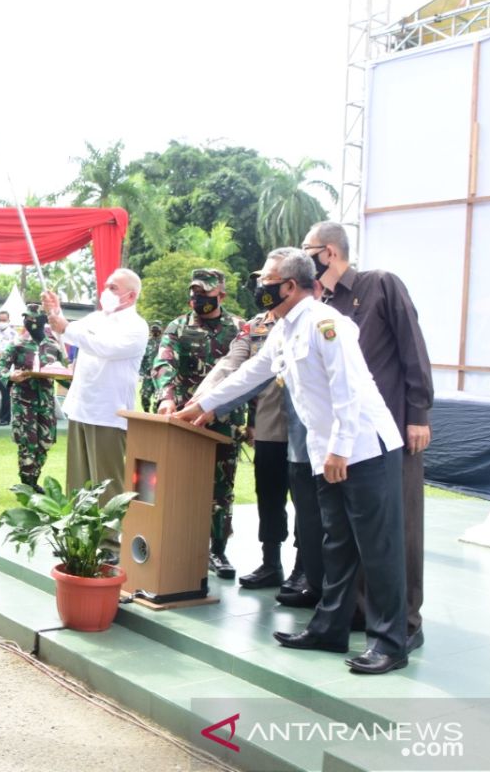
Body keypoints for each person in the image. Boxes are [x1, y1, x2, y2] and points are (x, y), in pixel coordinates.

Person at [179, 248, 409, 675]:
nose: (259, 287)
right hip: (329, 453)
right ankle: (329, 628)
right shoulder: (283, 328)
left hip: (362, 449)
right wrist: (205, 405)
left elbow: (349, 388)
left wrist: (340, 448)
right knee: (335, 545)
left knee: (378, 550)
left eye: (266, 279)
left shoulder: (327, 324)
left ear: (289, 285)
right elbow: (253, 372)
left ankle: (390, 643)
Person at [307, 220, 432, 650]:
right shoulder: (320, 304)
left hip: (392, 428)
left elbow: (413, 349)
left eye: (308, 250)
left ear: (329, 252)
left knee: (400, 527)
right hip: (347, 438)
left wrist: (418, 412)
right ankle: (362, 613)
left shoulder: (381, 285)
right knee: (355, 528)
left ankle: (407, 622)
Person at [152, 268, 245, 580]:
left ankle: (217, 549)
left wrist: (255, 421)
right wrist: (167, 397)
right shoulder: (178, 326)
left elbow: (253, 374)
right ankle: (178, 543)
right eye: (194, 293)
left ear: (221, 295)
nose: (198, 299)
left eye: (205, 294)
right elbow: (164, 362)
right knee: (178, 484)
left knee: (222, 487)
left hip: (224, 420)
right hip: (184, 419)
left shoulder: (239, 329)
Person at [199, 307, 294, 590]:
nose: (264, 288)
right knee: (269, 496)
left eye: (270, 280)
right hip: (271, 425)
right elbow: (230, 365)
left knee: (309, 503)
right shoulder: (255, 327)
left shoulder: (313, 316)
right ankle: (271, 563)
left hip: (309, 429)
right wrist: (201, 399)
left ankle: (306, 569)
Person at [42, 269, 148, 504]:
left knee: (106, 485)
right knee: (78, 482)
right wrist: (55, 312)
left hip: (108, 413)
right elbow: (67, 339)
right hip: (81, 408)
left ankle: (109, 540)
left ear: (130, 296)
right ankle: (81, 537)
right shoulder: (96, 318)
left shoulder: (137, 326)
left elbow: (106, 348)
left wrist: (67, 327)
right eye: (106, 286)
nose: (106, 292)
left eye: (114, 288)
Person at [0, 304, 66, 492]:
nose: (29, 322)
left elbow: (64, 372)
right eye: (26, 319)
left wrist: (73, 379)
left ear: (42, 321)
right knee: (27, 443)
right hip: (23, 401)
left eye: (33, 319)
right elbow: (1, 367)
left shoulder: (52, 346)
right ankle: (27, 483)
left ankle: (34, 477)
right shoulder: (17, 345)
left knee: (45, 442)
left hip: (46, 401)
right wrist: (10, 376)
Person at [139, 321, 163, 412]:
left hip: (160, 377)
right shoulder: (146, 342)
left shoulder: (165, 342)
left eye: (157, 329)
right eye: (153, 330)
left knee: (159, 399)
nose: (155, 331)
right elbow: (141, 359)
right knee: (144, 396)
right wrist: (141, 373)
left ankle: (156, 414)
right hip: (148, 376)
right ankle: (146, 412)